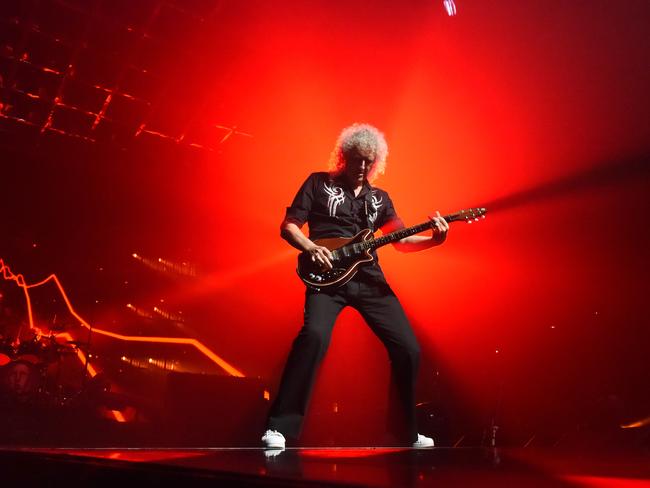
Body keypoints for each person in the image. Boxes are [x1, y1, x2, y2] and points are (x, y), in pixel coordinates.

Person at [262, 123, 449, 449]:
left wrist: (435, 239)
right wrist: (310, 247)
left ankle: (405, 433)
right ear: (344, 157)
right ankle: (280, 427)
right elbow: (289, 225)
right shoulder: (318, 183)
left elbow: (401, 242)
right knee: (314, 337)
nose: (362, 167)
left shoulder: (380, 199)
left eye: (368, 161)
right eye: (357, 159)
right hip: (327, 278)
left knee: (409, 348)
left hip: (369, 279)